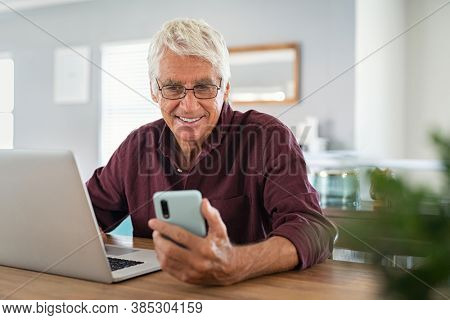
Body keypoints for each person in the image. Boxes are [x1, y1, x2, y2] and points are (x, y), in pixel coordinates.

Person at [87, 18, 337, 285]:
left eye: (204, 87)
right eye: (172, 88)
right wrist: (82, 232)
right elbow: (86, 210)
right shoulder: (137, 145)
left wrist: (237, 262)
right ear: (154, 91)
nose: (189, 106)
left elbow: (314, 229)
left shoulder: (267, 137)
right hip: (156, 294)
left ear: (225, 89)